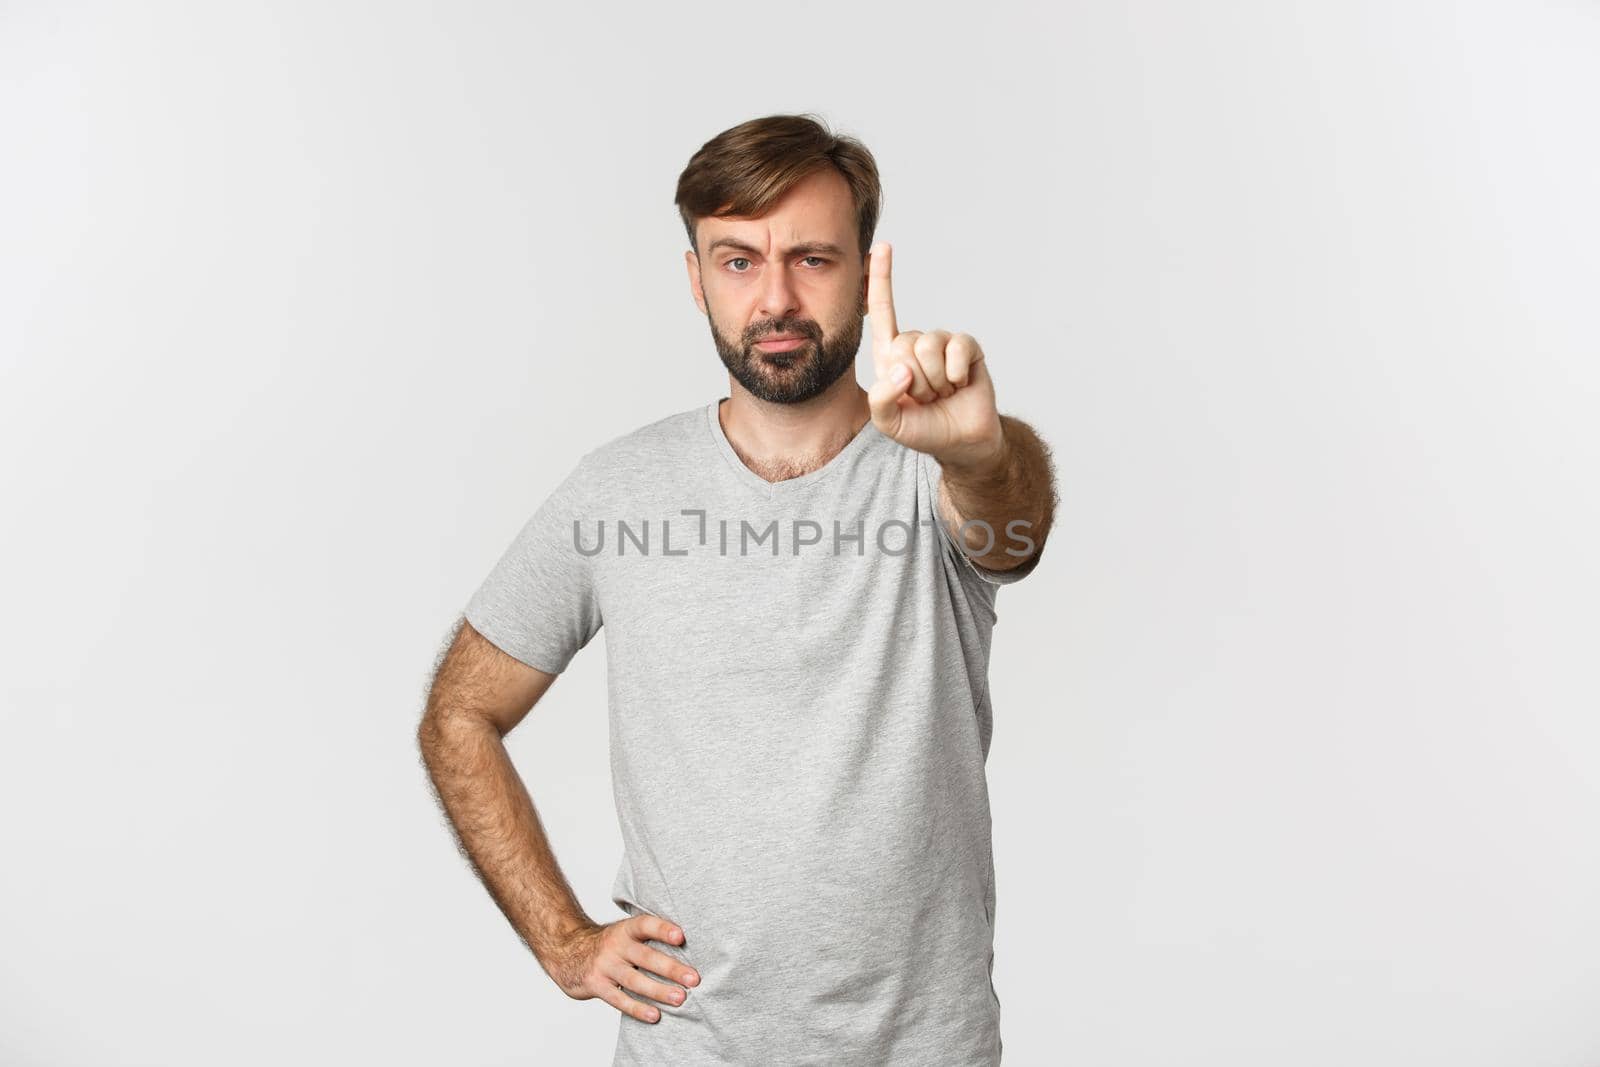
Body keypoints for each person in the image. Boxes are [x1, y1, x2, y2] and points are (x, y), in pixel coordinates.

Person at [418, 113, 1058, 1066]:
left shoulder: (935, 473)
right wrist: (565, 940)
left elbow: (1013, 529)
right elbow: (460, 714)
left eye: (811, 258)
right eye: (737, 261)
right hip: (694, 1050)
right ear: (695, 280)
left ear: (863, 267)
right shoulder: (616, 490)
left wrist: (982, 450)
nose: (777, 298)